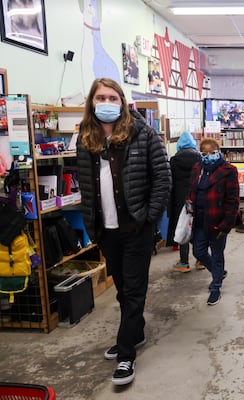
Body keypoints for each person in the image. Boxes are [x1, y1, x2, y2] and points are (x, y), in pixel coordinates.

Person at [76, 78, 171, 386]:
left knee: (133, 292)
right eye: (101, 97)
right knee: (122, 291)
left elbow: (162, 178)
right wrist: (91, 225)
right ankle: (135, 332)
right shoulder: (85, 137)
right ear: (92, 102)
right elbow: (87, 186)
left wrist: (150, 217)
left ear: (122, 101)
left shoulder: (142, 133)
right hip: (106, 230)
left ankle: (126, 355)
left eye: (112, 97)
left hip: (135, 228)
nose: (107, 102)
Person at [187, 138, 239, 305]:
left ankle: (216, 287)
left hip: (217, 221)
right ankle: (218, 272)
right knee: (198, 251)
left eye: (212, 152)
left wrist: (226, 224)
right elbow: (192, 191)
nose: (208, 156)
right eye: (204, 153)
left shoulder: (228, 170)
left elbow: (233, 200)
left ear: (219, 152)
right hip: (200, 219)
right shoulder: (197, 169)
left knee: (217, 255)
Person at [166, 131, 204, 272]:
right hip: (196, 198)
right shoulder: (200, 159)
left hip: (180, 200)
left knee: (183, 228)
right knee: (197, 227)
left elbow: (170, 183)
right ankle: (201, 260)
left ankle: (184, 262)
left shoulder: (174, 161)